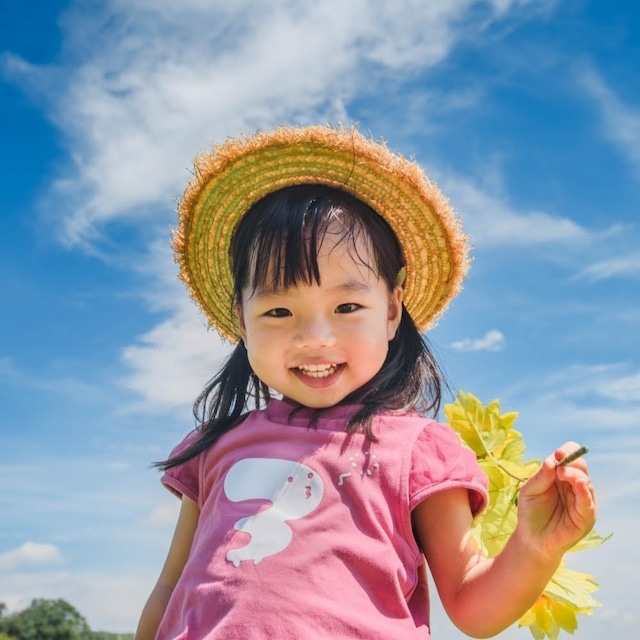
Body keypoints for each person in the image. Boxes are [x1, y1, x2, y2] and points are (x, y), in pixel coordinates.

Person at [135, 125, 596, 639]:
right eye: (279, 309)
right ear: (242, 322)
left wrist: (534, 548)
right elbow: (169, 591)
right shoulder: (214, 445)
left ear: (393, 310)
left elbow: (471, 604)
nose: (315, 337)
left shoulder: (418, 451)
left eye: (347, 306)